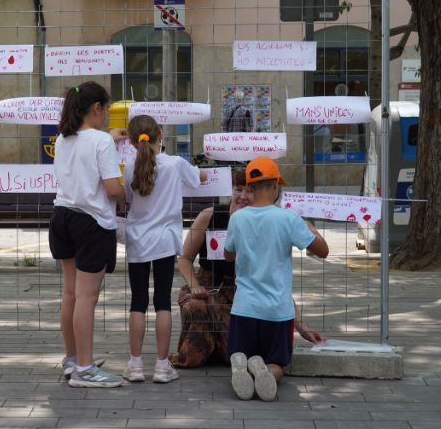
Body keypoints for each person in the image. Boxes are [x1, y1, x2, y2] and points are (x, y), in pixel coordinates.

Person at [172, 170, 325, 368]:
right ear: (231, 191)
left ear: (259, 192)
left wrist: (301, 326)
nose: (243, 196)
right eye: (238, 190)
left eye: (249, 191)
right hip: (210, 287)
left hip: (243, 293)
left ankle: (229, 355)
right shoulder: (210, 215)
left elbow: (272, 278)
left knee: (243, 347)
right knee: (196, 306)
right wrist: (194, 286)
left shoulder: (266, 223)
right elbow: (184, 258)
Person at [224, 157, 329, 401]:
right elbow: (323, 251)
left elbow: (228, 256)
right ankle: (267, 373)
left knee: (244, 353)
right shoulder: (288, 219)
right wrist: (308, 226)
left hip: (244, 309)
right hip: (277, 311)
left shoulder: (237, 219)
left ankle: (243, 368)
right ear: (274, 187)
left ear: (250, 187)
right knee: (278, 363)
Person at [48, 81, 127, 388]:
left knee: (70, 294)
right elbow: (111, 189)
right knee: (86, 298)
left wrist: (106, 137)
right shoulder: (101, 143)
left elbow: (85, 151)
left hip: (63, 217)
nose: (108, 115)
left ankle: (72, 359)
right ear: (97, 108)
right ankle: (86, 369)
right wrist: (127, 193)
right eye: (106, 110)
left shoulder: (64, 138)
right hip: (91, 223)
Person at [121, 115, 206, 383]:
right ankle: (161, 366)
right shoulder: (176, 164)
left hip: (137, 241)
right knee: (162, 304)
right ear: (160, 135)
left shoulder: (129, 168)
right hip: (165, 241)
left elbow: (127, 198)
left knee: (137, 302)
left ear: (133, 143)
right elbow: (199, 178)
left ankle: (135, 365)